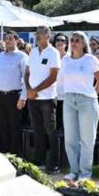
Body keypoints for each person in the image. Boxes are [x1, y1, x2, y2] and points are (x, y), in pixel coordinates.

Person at [58, 32, 99, 181]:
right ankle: (74, 170)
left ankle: (85, 173)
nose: (74, 42)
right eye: (72, 40)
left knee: (87, 139)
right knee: (70, 138)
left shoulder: (91, 60)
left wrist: (92, 94)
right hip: (69, 99)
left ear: (84, 43)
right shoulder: (65, 60)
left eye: (77, 40)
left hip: (87, 101)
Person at [24, 25, 61, 174]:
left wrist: (36, 90)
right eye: (38, 33)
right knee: (37, 130)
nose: (39, 35)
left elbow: (53, 77)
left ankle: (54, 163)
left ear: (49, 36)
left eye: (43, 32)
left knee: (50, 131)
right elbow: (27, 73)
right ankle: (39, 161)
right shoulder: (32, 51)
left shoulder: (54, 53)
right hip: (33, 98)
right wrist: (28, 89)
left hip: (47, 98)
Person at [0, 30, 27, 154]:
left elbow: (26, 79)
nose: (8, 40)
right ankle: (4, 151)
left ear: (16, 40)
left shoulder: (22, 56)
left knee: (14, 127)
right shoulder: (0, 56)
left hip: (14, 96)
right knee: (1, 125)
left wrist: (23, 97)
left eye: (11, 38)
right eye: (6, 38)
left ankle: (14, 154)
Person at [52, 33, 68, 131]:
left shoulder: (71, 57)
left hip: (67, 97)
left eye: (63, 40)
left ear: (66, 44)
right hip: (53, 96)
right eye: (58, 40)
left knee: (65, 125)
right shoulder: (51, 56)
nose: (60, 42)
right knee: (54, 124)